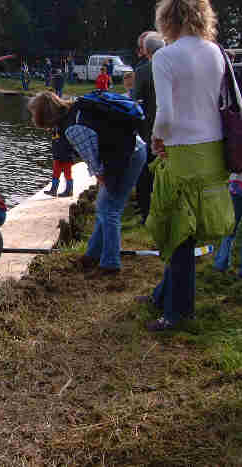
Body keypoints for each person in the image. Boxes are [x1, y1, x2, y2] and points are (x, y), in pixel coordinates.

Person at [140, 0, 234, 331]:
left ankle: (178, 313)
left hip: (181, 150)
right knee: (188, 231)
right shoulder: (216, 52)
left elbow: (165, 114)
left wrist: (156, 139)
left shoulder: (165, 55)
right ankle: (161, 296)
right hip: (213, 150)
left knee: (178, 231)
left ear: (166, 19)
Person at [28, 91, 146, 276]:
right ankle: (93, 254)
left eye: (33, 113)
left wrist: (102, 179)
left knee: (109, 211)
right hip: (133, 149)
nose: (32, 117)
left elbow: (94, 163)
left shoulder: (72, 128)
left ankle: (110, 265)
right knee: (104, 207)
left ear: (44, 115)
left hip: (129, 157)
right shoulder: (75, 109)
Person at [133, 32, 165, 224]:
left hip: (150, 130)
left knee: (145, 175)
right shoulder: (176, 66)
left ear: (146, 51)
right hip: (176, 131)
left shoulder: (144, 71)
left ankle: (146, 215)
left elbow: (136, 103)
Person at [213, 172, 242, 278]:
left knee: (230, 228)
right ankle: (221, 263)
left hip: (236, 186)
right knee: (230, 228)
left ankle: (221, 263)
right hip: (236, 186)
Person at [44, 124, 77, 197]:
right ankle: (53, 190)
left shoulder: (65, 130)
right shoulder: (55, 132)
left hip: (66, 156)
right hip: (57, 156)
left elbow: (71, 145)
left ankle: (69, 191)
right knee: (56, 173)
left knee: (67, 173)